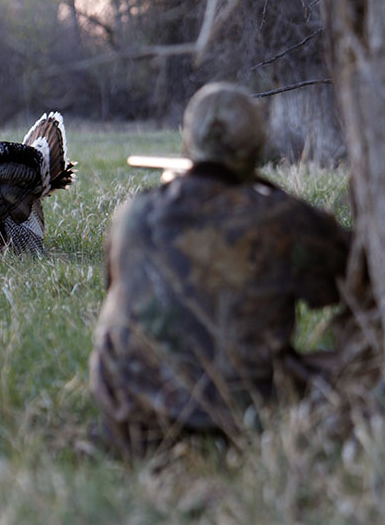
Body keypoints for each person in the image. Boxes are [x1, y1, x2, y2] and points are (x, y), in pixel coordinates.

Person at [89, 82, 351, 453]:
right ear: (257, 146)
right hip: (244, 416)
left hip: (130, 416)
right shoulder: (282, 220)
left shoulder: (132, 214)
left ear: (188, 140)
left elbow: (118, 286)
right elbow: (349, 272)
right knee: (356, 366)